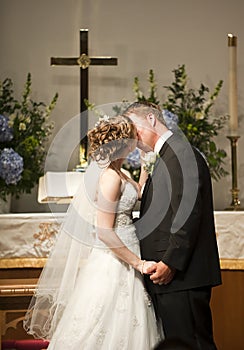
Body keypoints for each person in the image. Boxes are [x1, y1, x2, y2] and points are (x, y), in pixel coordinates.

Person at [23, 115, 162, 349]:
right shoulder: (109, 178)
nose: (137, 140)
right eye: (132, 137)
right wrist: (138, 263)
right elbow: (105, 232)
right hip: (116, 259)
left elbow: (137, 193)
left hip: (128, 249)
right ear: (123, 143)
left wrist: (146, 165)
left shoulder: (120, 172)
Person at [123, 101, 222, 349]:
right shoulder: (168, 153)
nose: (133, 137)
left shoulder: (179, 153)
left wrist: (170, 263)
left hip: (181, 275)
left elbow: (187, 213)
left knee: (193, 344)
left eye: (135, 128)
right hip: (171, 278)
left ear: (152, 119)